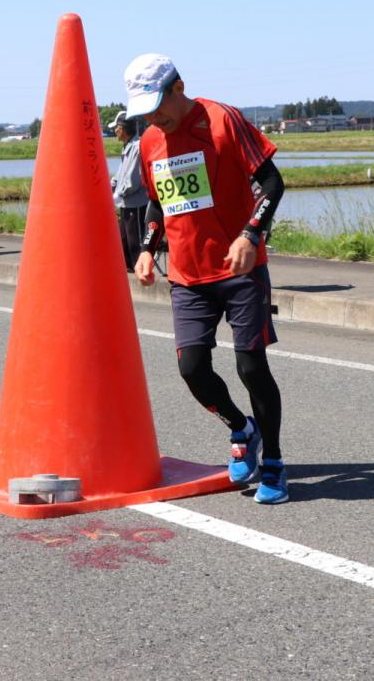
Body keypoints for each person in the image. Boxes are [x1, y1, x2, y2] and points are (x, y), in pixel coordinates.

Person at [126, 53, 289, 505]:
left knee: (251, 367)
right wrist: (147, 247)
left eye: (158, 105)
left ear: (179, 88)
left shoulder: (223, 119)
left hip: (240, 268)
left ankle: (273, 461)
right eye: (145, 110)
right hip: (187, 274)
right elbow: (159, 203)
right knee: (192, 370)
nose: (154, 117)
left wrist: (250, 235)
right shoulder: (149, 143)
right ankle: (242, 428)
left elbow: (272, 184)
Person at [108, 110, 149, 271]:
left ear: (123, 128)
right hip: (126, 203)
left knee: (135, 243)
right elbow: (120, 174)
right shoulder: (127, 147)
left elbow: (133, 179)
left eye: (116, 127)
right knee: (123, 242)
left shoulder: (137, 147)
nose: (114, 131)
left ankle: (141, 274)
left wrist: (119, 193)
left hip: (136, 204)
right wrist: (109, 187)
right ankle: (128, 275)